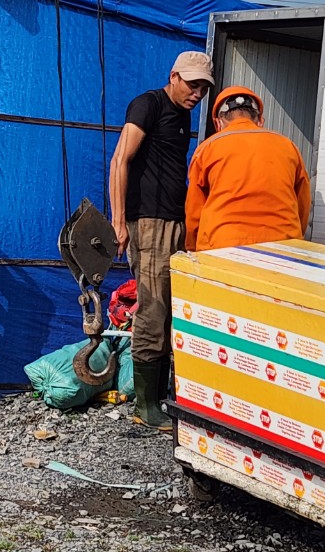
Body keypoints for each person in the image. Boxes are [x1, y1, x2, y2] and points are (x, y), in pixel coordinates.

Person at [108, 51, 213, 432]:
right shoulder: (148, 104)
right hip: (149, 222)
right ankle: (145, 404)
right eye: (192, 83)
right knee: (152, 308)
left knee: (169, 306)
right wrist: (119, 222)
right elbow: (120, 159)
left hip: (174, 220)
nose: (197, 92)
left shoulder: (183, 115)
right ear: (174, 76)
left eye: (203, 86)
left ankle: (161, 395)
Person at [185, 86, 311, 252]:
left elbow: (194, 211)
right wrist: (294, 237)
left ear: (218, 122)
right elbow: (303, 202)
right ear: (260, 120)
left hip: (221, 246)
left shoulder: (207, 149)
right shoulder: (288, 146)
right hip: (283, 246)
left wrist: (192, 249)